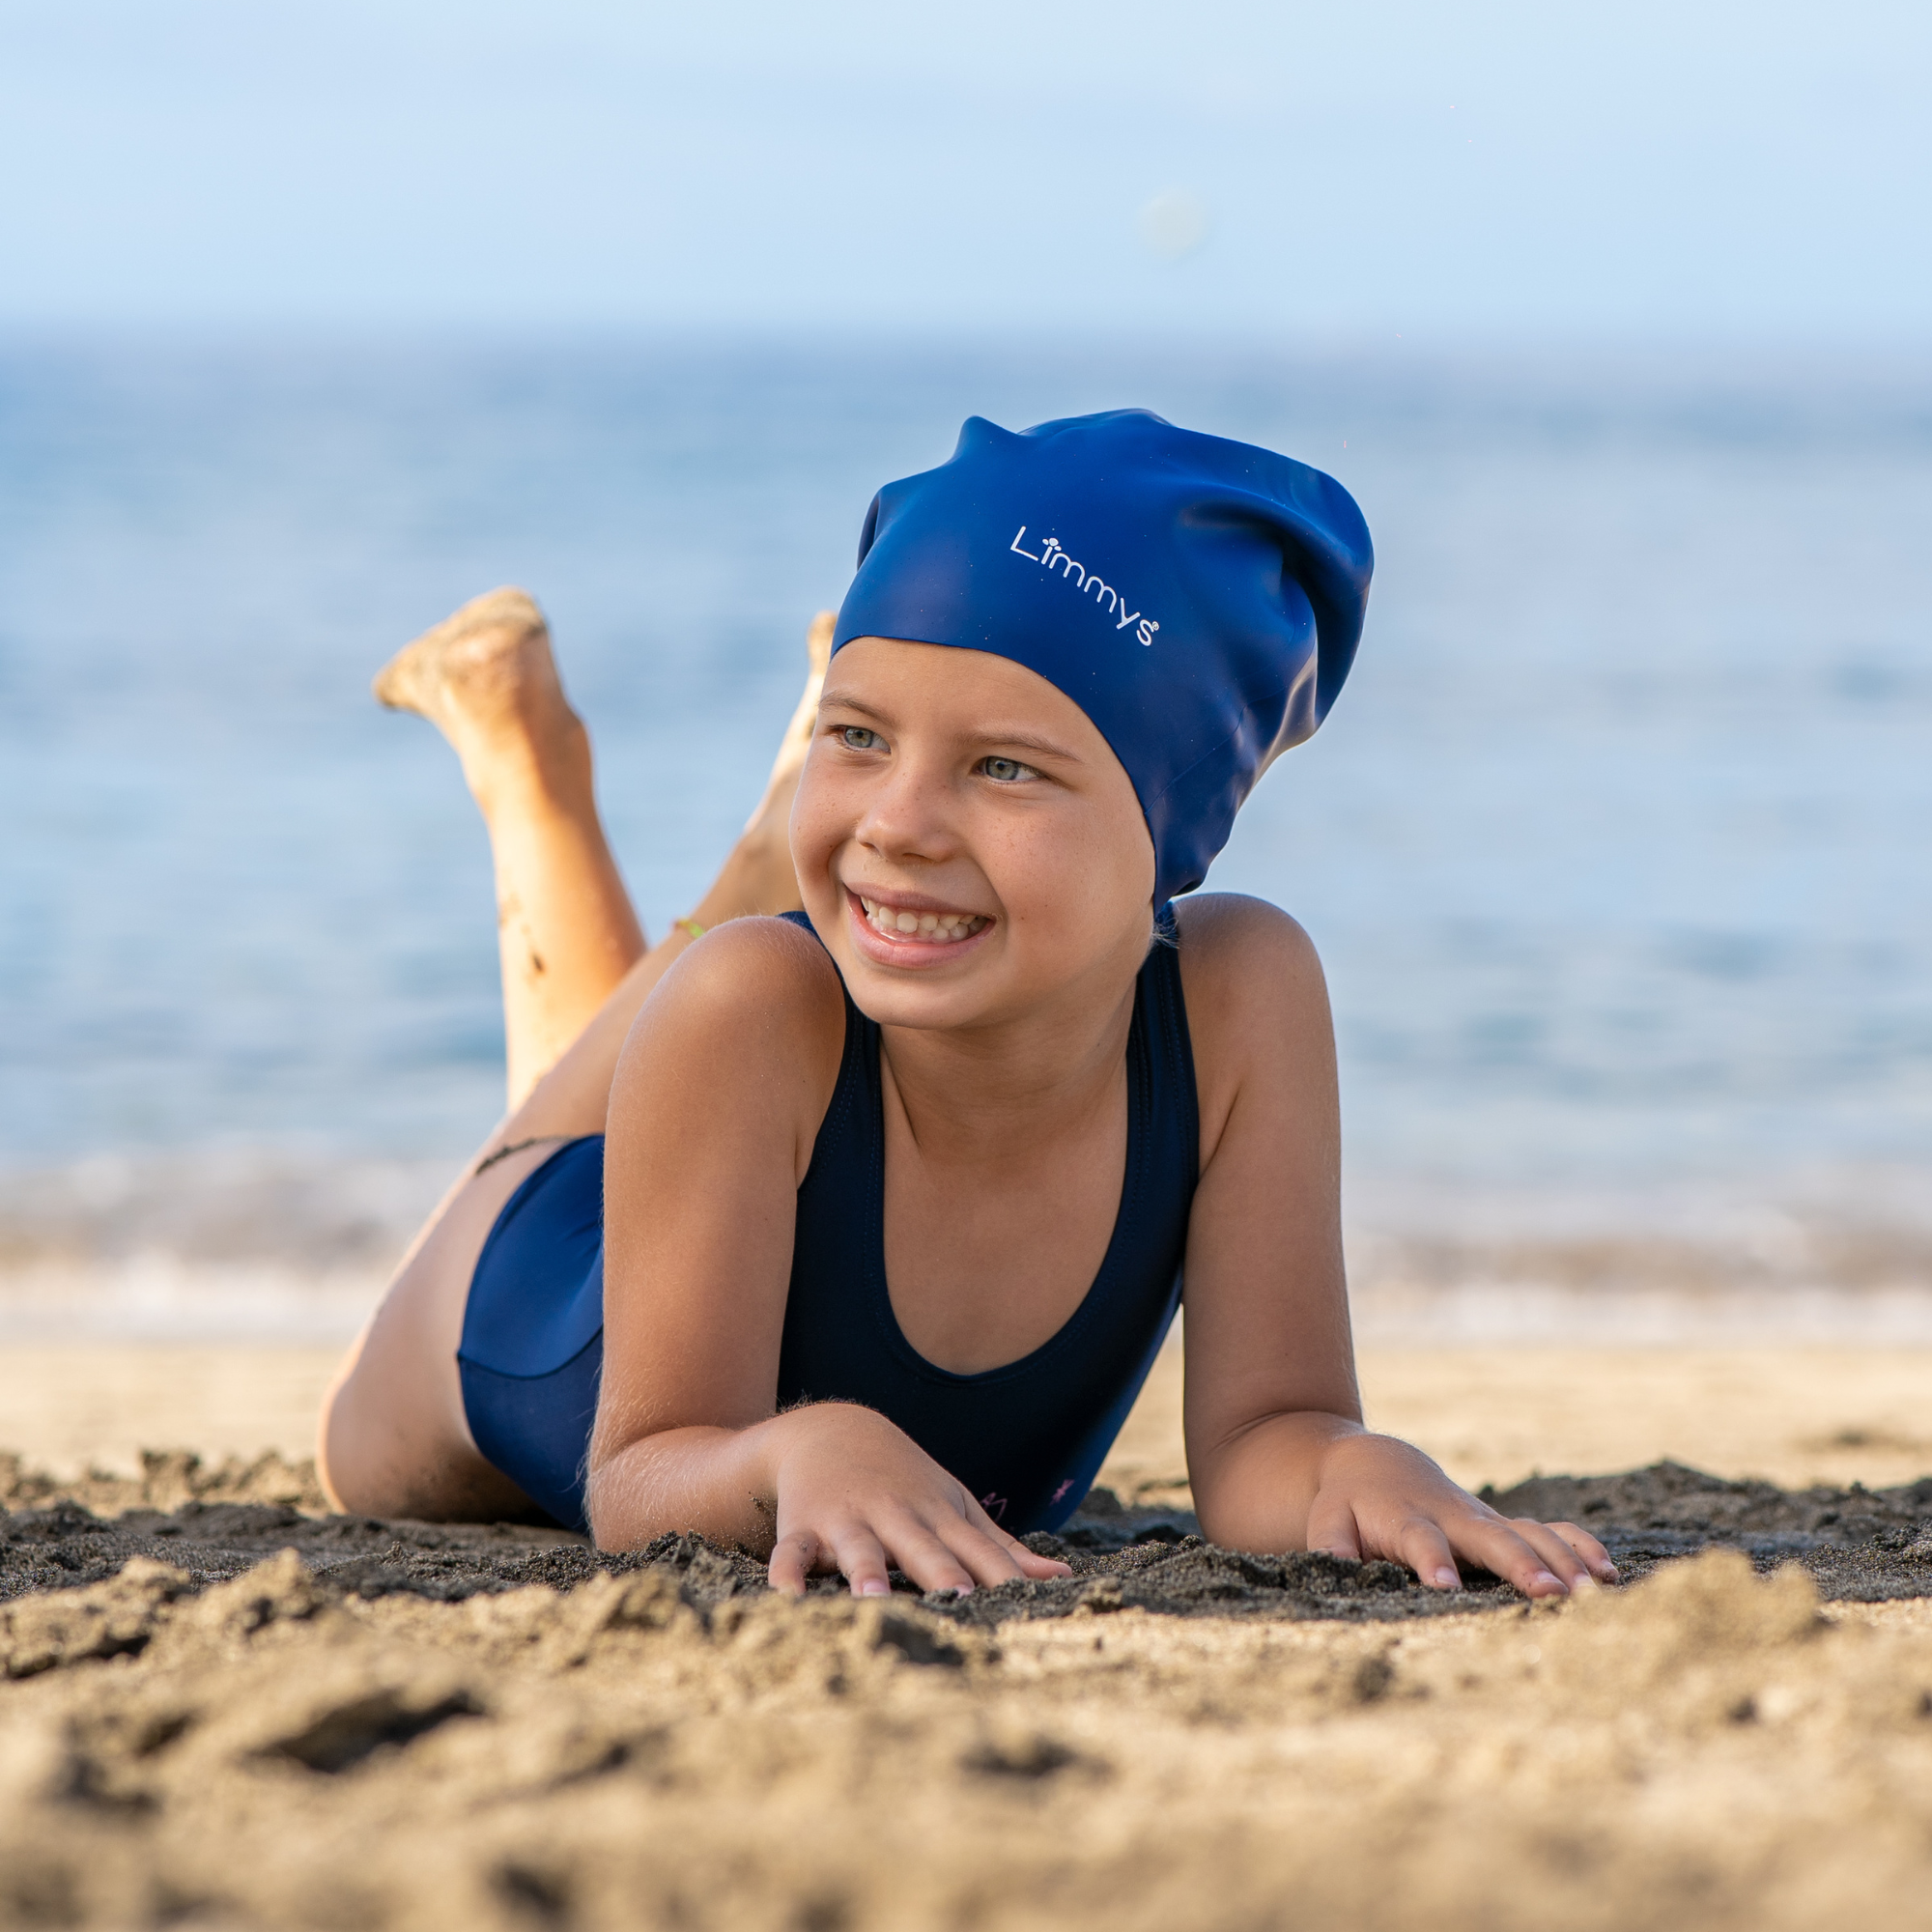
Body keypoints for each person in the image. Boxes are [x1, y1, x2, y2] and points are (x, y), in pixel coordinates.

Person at [319, 409, 1615, 1604]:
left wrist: (1351, 1466)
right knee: (691, 1016)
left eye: (1003, 765)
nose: (898, 821)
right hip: (517, 1293)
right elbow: (641, 1477)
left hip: (735, 1101)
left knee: (768, 968)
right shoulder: (753, 1012)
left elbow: (1271, 1441)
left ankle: (777, 822)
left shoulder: (1240, 999)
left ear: (1172, 832)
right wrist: (809, 1448)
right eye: (861, 736)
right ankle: (530, 766)